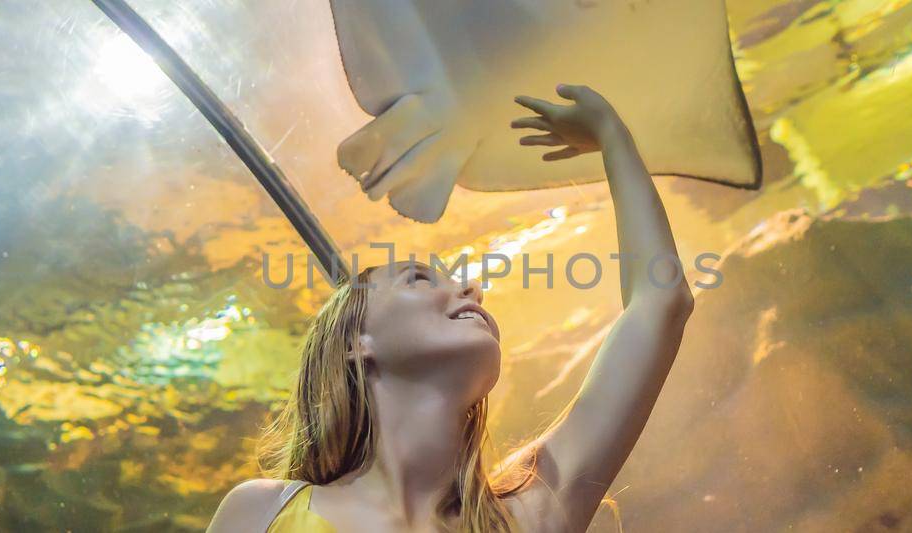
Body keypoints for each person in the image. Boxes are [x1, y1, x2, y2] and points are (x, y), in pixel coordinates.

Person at [207, 84, 695, 533]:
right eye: (419, 279)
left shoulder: (523, 516)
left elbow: (661, 301)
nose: (473, 289)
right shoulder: (262, 512)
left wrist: (613, 137)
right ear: (358, 342)